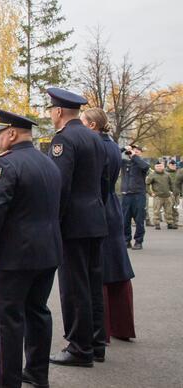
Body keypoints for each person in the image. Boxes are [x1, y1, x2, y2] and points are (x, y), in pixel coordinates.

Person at [0, 109, 62, 388]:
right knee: (38, 312)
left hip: (12, 257)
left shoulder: (5, 165)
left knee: (6, 318)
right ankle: (37, 373)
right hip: (47, 251)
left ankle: (5, 380)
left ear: (12, 134)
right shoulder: (48, 163)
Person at [45, 88, 110, 368]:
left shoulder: (64, 140)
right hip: (95, 218)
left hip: (73, 222)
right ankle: (96, 343)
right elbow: (105, 181)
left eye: (51, 110)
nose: (50, 114)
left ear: (59, 112)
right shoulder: (95, 138)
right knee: (93, 284)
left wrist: (52, 222)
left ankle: (79, 347)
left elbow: (59, 186)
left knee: (74, 286)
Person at [81, 108, 136, 345]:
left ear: (92, 125)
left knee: (98, 271)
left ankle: (99, 331)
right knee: (117, 268)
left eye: (82, 122)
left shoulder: (96, 147)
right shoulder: (112, 144)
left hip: (99, 207)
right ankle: (121, 326)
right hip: (112, 207)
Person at [120, 144, 150, 249]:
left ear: (140, 153)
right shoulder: (124, 163)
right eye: (133, 151)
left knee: (139, 220)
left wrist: (134, 156)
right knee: (125, 220)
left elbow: (145, 167)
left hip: (138, 195)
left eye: (137, 151)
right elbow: (112, 156)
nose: (134, 152)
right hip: (126, 195)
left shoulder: (142, 163)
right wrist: (124, 149)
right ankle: (126, 240)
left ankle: (138, 241)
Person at [146, 160, 174, 234]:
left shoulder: (167, 174)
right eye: (157, 166)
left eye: (160, 166)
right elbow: (147, 184)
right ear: (155, 167)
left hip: (167, 196)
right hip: (158, 196)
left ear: (163, 166)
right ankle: (157, 224)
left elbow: (171, 184)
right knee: (156, 211)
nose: (159, 167)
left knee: (169, 211)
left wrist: (172, 191)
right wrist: (151, 193)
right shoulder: (152, 175)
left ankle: (170, 223)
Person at [169, 160, 180, 229]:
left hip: (177, 193)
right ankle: (170, 222)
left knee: (176, 208)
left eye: (174, 165)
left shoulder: (179, 173)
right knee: (169, 208)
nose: (173, 166)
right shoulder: (166, 172)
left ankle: (175, 222)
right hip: (169, 193)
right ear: (169, 165)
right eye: (172, 165)